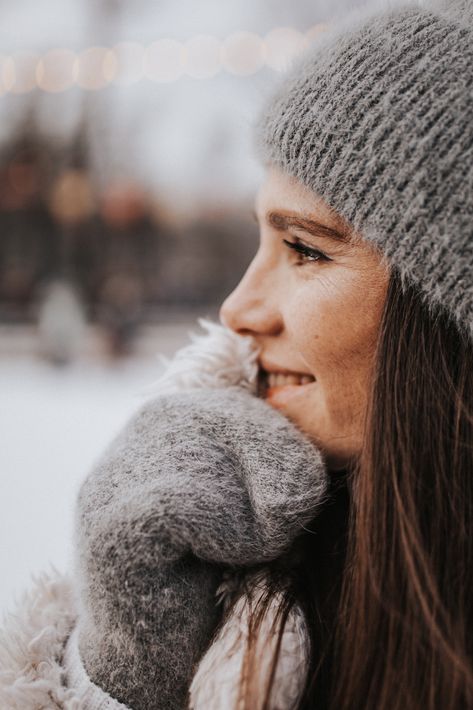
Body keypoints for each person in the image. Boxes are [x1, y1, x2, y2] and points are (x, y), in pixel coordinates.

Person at [0, 0, 471, 708]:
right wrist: (119, 673)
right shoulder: (234, 568)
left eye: (304, 249)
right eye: (259, 240)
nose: (236, 308)